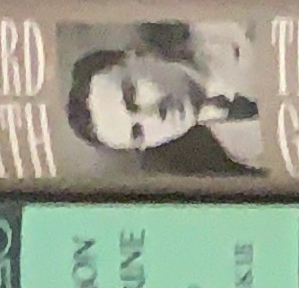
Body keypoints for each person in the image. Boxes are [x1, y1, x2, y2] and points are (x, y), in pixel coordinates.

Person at [59, 22, 266, 177]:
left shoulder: (232, 23)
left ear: (137, 55)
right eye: (138, 132)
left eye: (132, 97)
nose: (153, 115)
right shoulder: (243, 149)